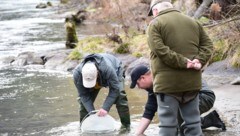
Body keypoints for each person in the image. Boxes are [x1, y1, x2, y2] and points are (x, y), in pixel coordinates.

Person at [147, 0, 213, 135]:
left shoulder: (155, 24)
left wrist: (184, 62)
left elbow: (160, 50)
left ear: (155, 11)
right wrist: (198, 60)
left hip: (168, 85)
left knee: (168, 125)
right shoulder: (193, 22)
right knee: (194, 124)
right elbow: (208, 46)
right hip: (192, 82)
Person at [130, 65, 226, 135]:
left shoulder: (161, 78)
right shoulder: (154, 86)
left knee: (172, 113)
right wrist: (138, 134)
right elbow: (149, 111)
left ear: (142, 78)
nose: (138, 87)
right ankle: (211, 120)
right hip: (188, 97)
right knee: (175, 118)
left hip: (203, 95)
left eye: (137, 84)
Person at [73, 53, 130, 130]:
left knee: (120, 96)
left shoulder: (108, 69)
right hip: (97, 76)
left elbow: (115, 89)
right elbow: (83, 95)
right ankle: (83, 128)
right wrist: (92, 113)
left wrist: (105, 108)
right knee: (83, 104)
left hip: (115, 70)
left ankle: (126, 127)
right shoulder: (77, 74)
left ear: (96, 73)